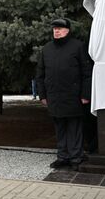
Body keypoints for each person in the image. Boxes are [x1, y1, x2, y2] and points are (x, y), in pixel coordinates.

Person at [36, 18, 93, 171]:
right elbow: (40, 74)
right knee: (59, 128)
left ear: (68, 30)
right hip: (54, 96)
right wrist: (43, 95)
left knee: (74, 128)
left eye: (60, 28)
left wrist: (85, 94)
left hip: (74, 96)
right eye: (55, 28)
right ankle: (62, 157)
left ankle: (76, 157)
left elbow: (87, 73)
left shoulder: (78, 46)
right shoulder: (47, 49)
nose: (57, 31)